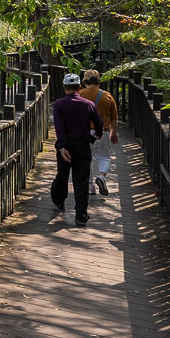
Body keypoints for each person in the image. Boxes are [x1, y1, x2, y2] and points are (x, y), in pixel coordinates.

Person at [51, 72, 103, 226]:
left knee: (62, 175)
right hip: (82, 145)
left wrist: (62, 147)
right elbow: (99, 125)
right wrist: (94, 138)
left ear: (64, 88)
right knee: (81, 180)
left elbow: (59, 127)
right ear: (79, 87)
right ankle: (81, 215)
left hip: (65, 145)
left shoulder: (59, 105)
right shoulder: (88, 105)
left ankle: (59, 200)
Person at [79, 69, 119, 196]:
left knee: (86, 160)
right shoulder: (107, 96)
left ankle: (90, 187)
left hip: (83, 132)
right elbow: (114, 118)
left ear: (85, 81)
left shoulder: (79, 95)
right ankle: (102, 177)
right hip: (102, 131)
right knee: (104, 157)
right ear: (98, 82)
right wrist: (114, 133)